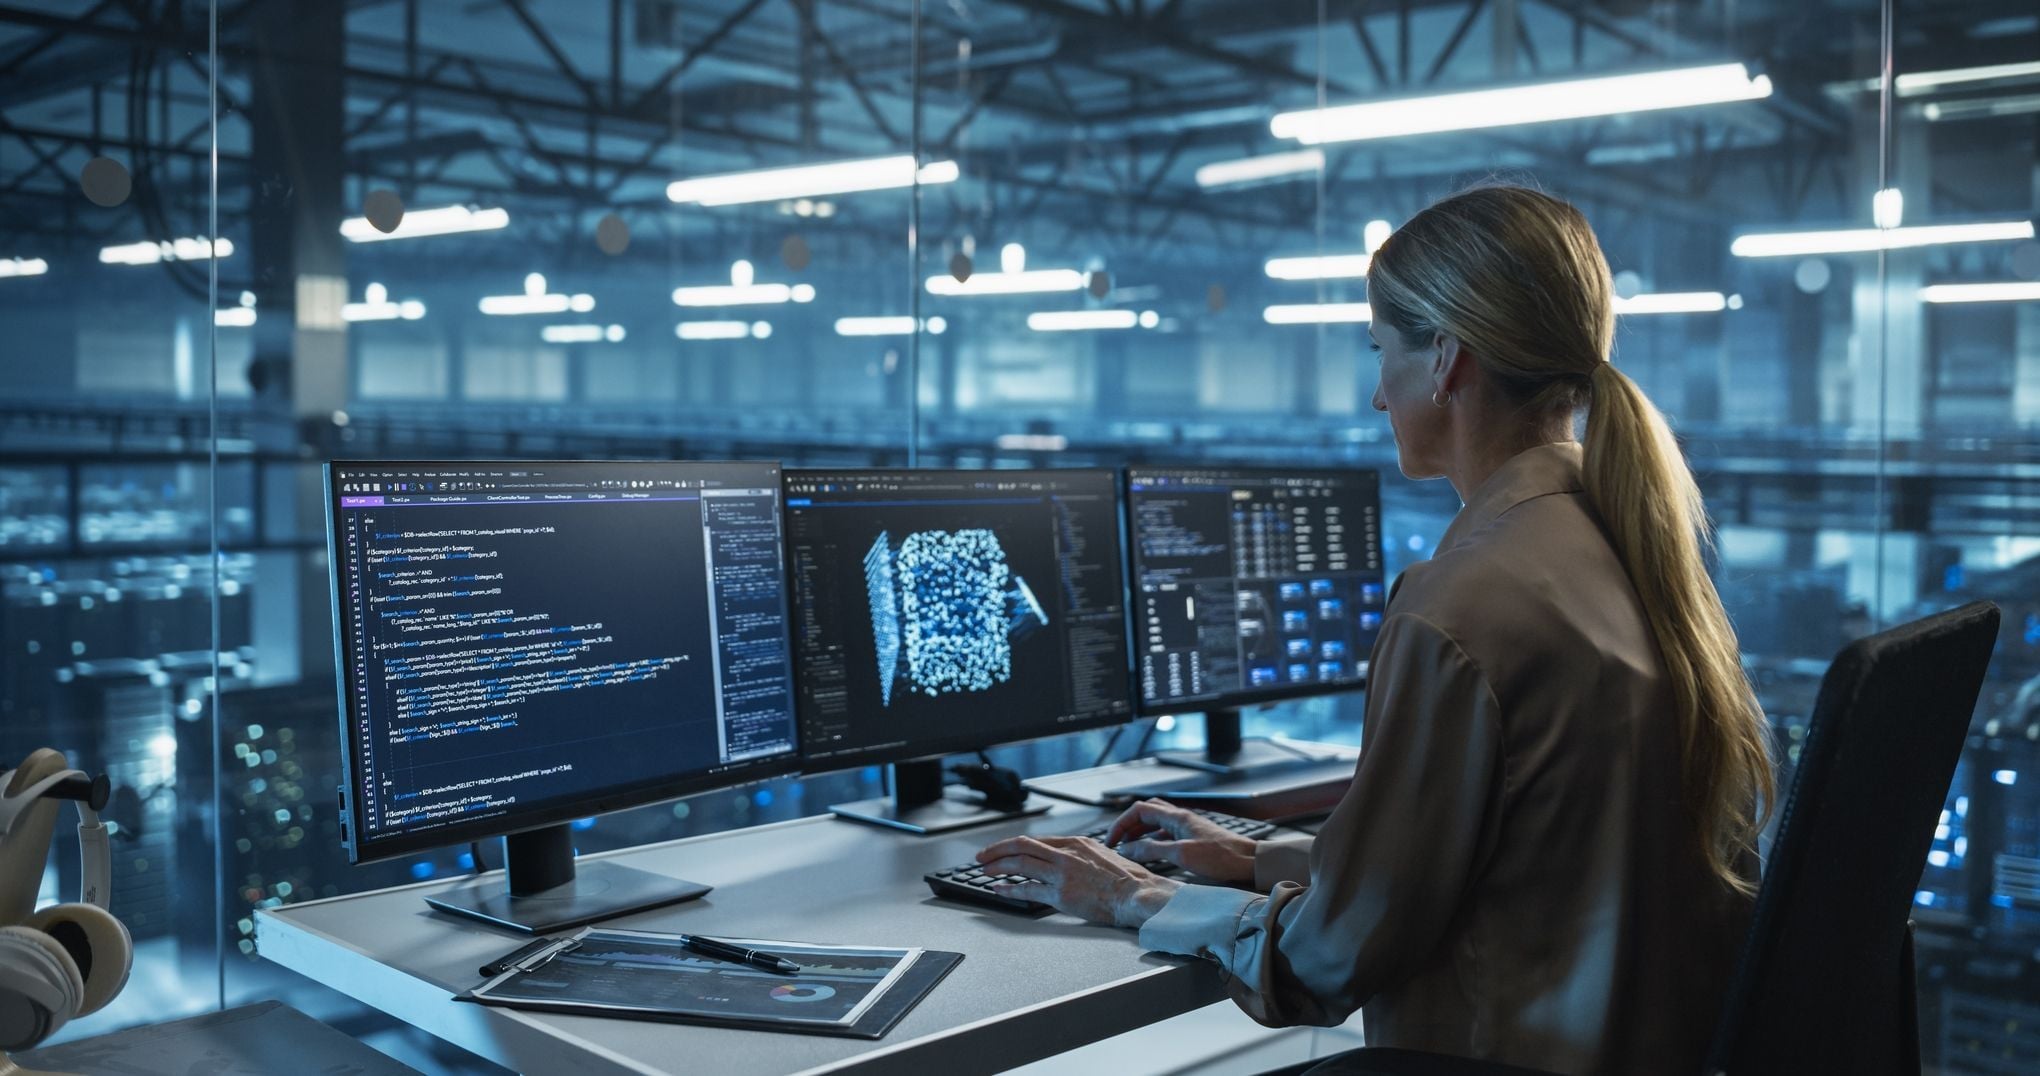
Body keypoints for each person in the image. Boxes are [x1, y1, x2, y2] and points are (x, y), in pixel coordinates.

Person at [974, 184, 1776, 1075]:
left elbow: (1324, 961)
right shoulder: (1630, 549)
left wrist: (1132, 896)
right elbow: (1513, 871)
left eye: (1379, 351)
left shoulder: (1463, 606)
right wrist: (1256, 858)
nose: (1375, 396)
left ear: (1445, 359)